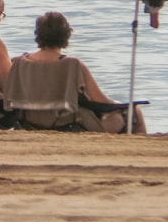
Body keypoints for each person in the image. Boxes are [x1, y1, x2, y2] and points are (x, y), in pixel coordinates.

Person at [18, 11, 147, 133]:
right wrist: (119, 104)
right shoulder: (72, 65)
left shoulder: (18, 63)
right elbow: (100, 101)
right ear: (66, 35)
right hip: (66, 125)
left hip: (28, 123)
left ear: (38, 34)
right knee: (132, 112)